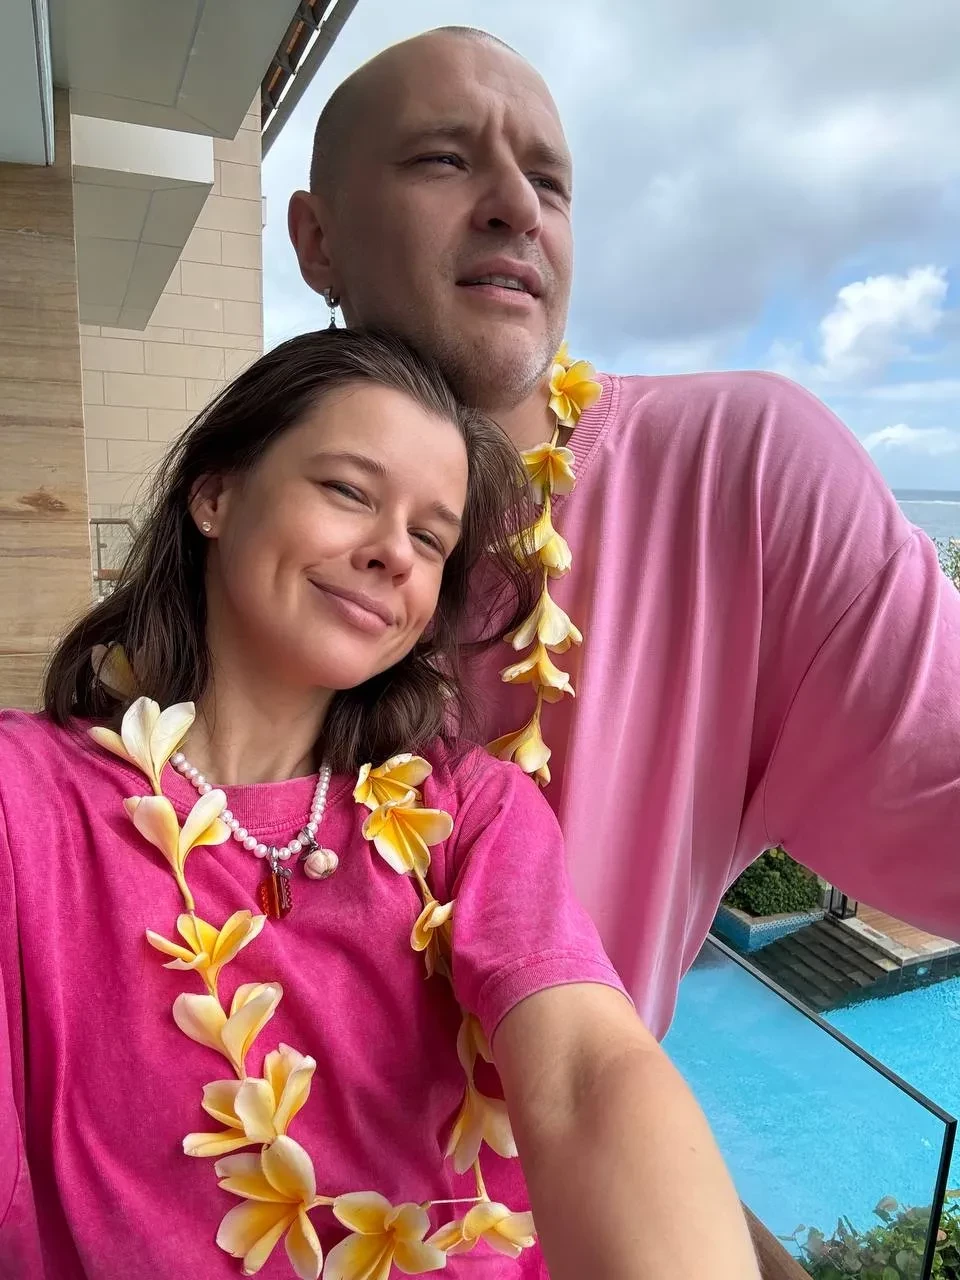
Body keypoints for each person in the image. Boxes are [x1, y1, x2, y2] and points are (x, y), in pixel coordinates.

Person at [0, 329, 760, 1279]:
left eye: (431, 538)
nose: (395, 553)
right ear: (215, 494)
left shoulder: (468, 816)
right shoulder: (26, 806)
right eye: (349, 491)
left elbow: (581, 1073)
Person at [287, 26, 960, 1042]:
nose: (518, 207)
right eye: (444, 158)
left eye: (550, 184)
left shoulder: (740, 482)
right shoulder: (251, 531)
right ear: (317, 241)